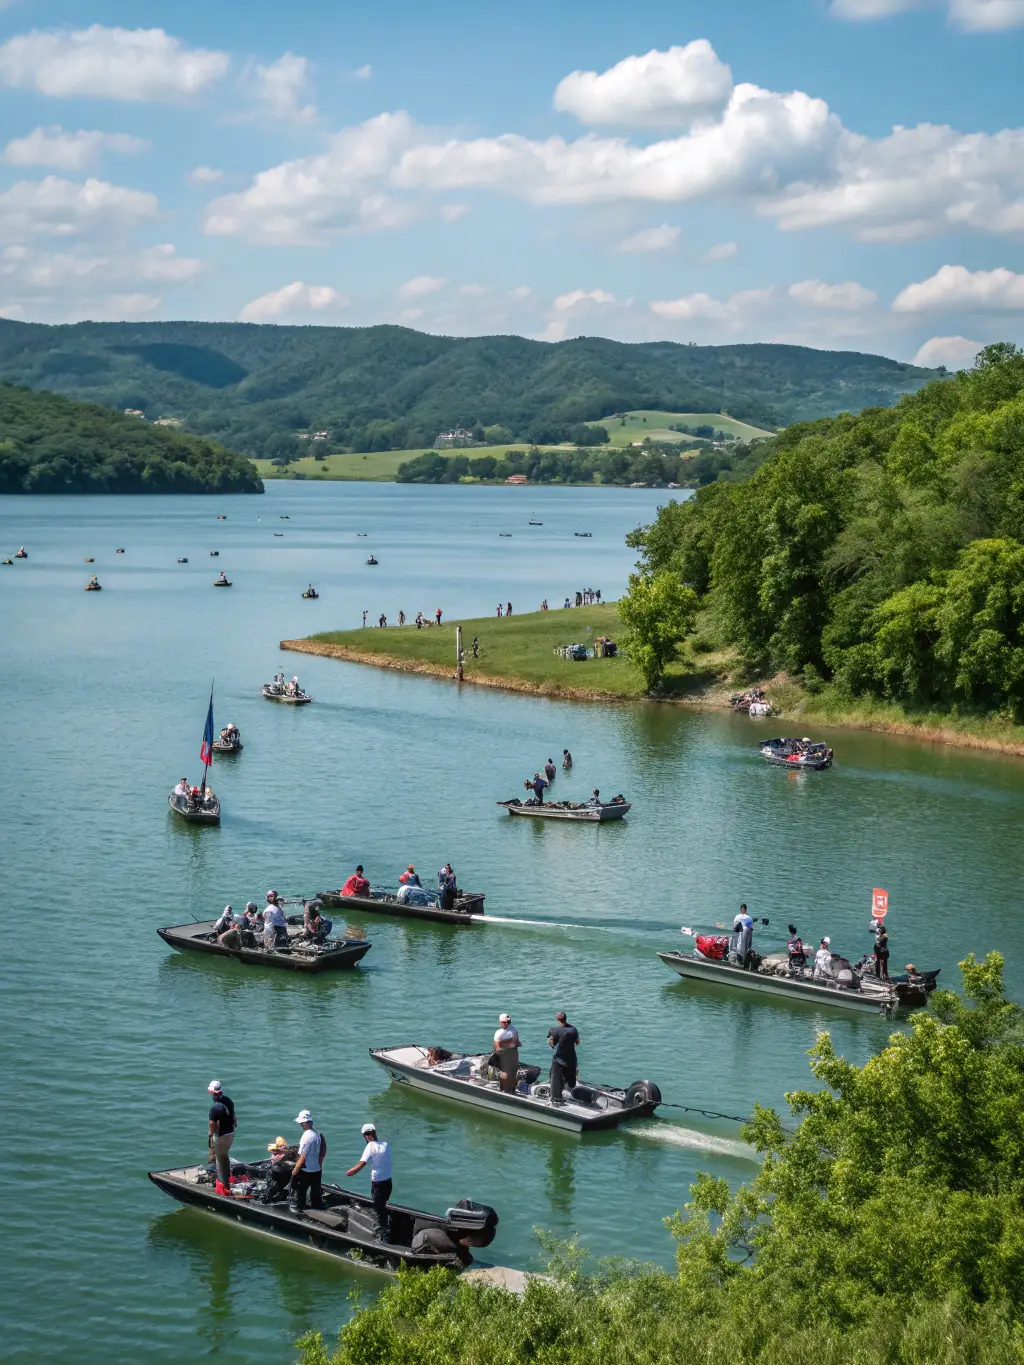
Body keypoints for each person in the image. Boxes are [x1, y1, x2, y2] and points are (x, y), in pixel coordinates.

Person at [346, 1123, 392, 1240]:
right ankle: (385, 1225)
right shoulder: (386, 1145)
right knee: (383, 1204)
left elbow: (362, 1163)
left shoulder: (370, 1146)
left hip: (378, 1183)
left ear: (367, 1136)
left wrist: (351, 1171)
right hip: (388, 1182)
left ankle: (384, 1232)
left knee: (378, 1207)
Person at [289, 1110, 326, 1213]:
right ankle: (317, 1206)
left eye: (301, 1123)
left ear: (304, 1123)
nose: (301, 1125)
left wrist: (295, 1170)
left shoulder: (306, 1136)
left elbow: (303, 1156)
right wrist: (320, 1163)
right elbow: (323, 1149)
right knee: (315, 1191)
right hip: (317, 1169)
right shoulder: (319, 1134)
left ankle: (299, 1208)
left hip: (306, 1170)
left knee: (301, 1191)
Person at [207, 1080, 236, 1196]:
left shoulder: (215, 1108)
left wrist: (210, 1133)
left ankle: (223, 1186)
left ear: (212, 1092)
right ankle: (226, 1180)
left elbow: (212, 1124)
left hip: (222, 1135)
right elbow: (234, 1118)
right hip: (231, 1133)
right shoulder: (228, 1101)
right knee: (225, 1156)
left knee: (219, 1157)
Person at [547, 1011, 580, 1104]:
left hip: (559, 1058)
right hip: (571, 1057)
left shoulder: (554, 1029)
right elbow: (577, 1042)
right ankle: (570, 1087)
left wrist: (551, 1042)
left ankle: (556, 1097)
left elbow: (551, 1042)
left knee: (555, 1077)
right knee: (570, 1074)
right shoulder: (573, 1029)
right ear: (566, 1018)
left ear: (557, 1019)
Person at [260, 1136, 297, 1204]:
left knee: (282, 1186)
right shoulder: (278, 1156)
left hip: (285, 1173)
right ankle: (266, 1200)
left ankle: (283, 1194)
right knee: (272, 1188)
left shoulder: (287, 1153)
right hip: (276, 1172)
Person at [493, 1013, 521, 1094]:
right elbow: (497, 1048)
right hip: (504, 1055)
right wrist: (510, 1044)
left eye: (508, 1022)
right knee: (505, 1073)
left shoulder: (513, 1029)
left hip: (513, 1054)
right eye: (504, 1022)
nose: (507, 1024)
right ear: (500, 1022)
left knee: (514, 1071)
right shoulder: (498, 1033)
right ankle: (503, 1089)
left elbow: (517, 1042)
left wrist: (512, 1044)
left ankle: (512, 1088)